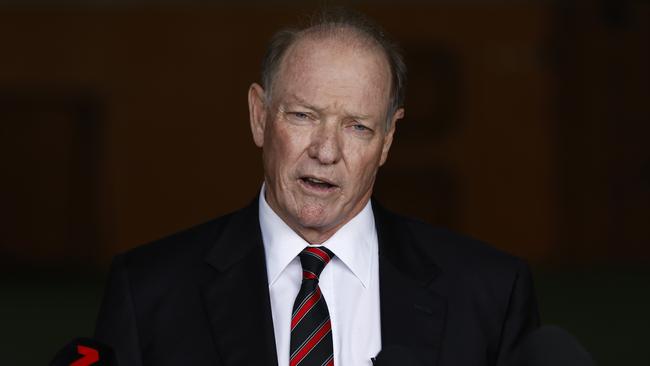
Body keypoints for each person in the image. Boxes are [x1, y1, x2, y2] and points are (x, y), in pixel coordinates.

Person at [94, 9, 539, 366]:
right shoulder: (150, 292)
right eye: (303, 116)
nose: (326, 152)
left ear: (387, 139)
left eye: (357, 127)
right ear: (258, 116)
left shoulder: (489, 295)